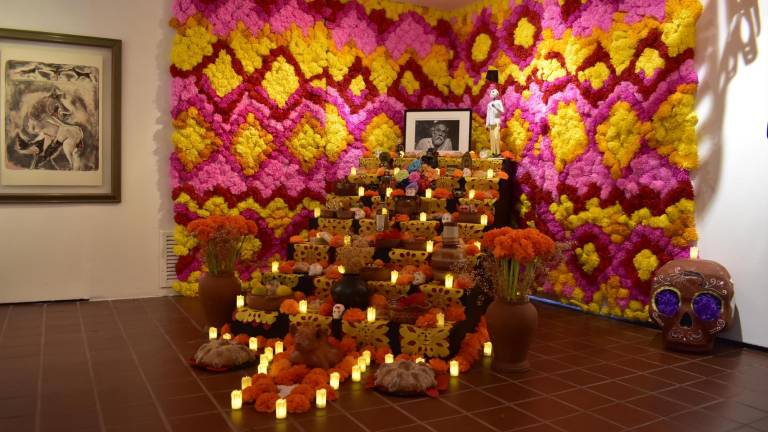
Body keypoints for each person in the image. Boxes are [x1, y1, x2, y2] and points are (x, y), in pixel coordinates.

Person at [486, 88, 504, 156]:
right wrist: (487, 124)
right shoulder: (489, 104)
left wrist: (496, 107)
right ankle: (493, 152)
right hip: (491, 122)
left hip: (496, 121)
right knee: (492, 137)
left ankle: (498, 152)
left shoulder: (498, 102)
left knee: (497, 136)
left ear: (496, 94)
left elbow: (502, 111)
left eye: (493, 92)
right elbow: (488, 114)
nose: (492, 93)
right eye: (491, 92)